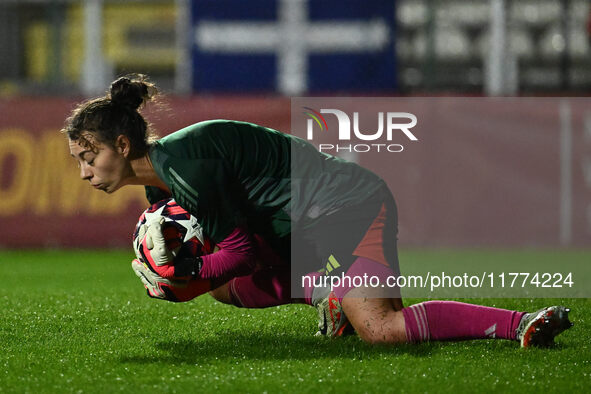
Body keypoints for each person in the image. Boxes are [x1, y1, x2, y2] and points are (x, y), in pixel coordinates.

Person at [63, 75, 573, 347]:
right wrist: (182, 281)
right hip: (306, 227)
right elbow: (227, 255)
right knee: (221, 286)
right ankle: (330, 295)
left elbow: (237, 253)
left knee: (383, 330)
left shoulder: (186, 164)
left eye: (89, 158)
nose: (85, 172)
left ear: (123, 144)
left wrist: (183, 275)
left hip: (347, 210)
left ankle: (520, 323)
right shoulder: (163, 182)